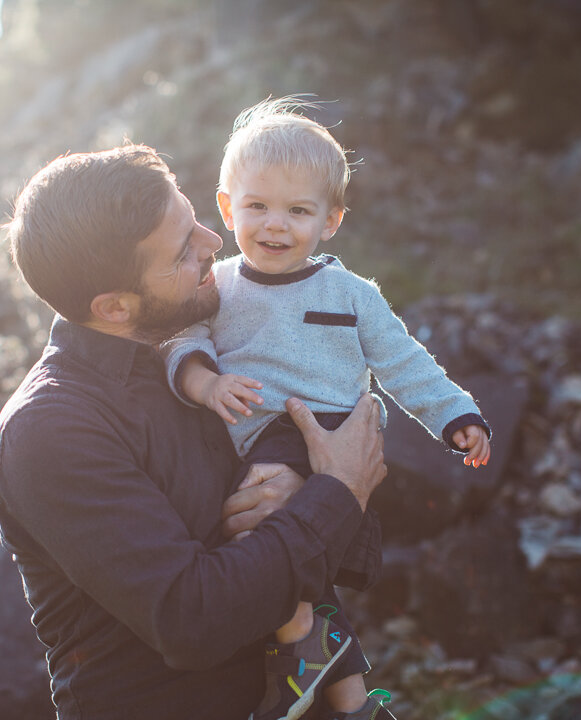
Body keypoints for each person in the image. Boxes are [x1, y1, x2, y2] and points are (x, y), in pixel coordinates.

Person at [0, 143, 390, 720]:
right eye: (183, 251)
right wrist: (335, 494)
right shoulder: (50, 430)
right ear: (116, 307)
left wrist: (308, 489)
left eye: (193, 217)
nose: (215, 242)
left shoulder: (205, 350)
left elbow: (346, 487)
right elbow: (192, 619)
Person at [161, 97, 492, 720]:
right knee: (304, 573)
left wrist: (456, 416)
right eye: (256, 206)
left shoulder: (350, 294)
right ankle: (354, 704)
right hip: (248, 440)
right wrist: (206, 386)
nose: (275, 225)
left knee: (261, 538)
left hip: (321, 431)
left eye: (298, 211)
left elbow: (404, 361)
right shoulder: (220, 286)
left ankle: (296, 650)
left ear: (331, 221)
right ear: (228, 207)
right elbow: (184, 343)